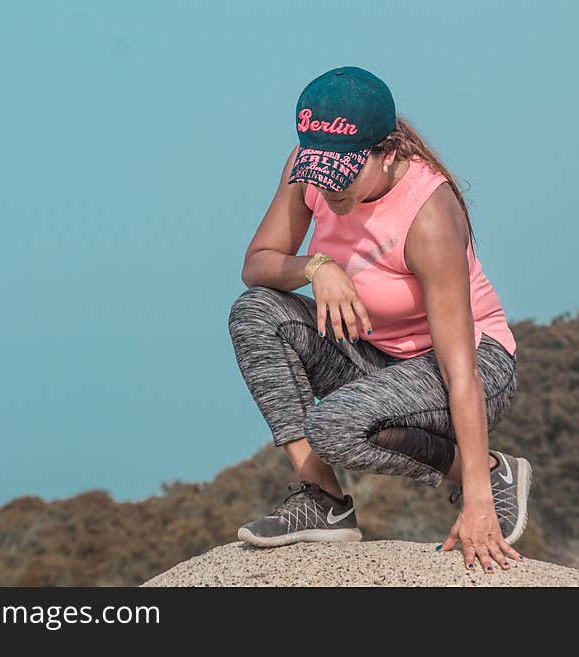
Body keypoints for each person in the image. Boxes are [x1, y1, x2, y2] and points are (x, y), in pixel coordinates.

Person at [227, 66, 530, 574]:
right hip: (375, 355)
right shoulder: (306, 171)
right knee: (255, 312)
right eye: (320, 174)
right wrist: (316, 266)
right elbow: (257, 263)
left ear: (386, 152)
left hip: (470, 365)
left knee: (335, 426)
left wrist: (477, 499)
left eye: (343, 175)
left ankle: (494, 474)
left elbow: (461, 371)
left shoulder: (427, 213)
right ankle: (323, 499)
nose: (330, 191)